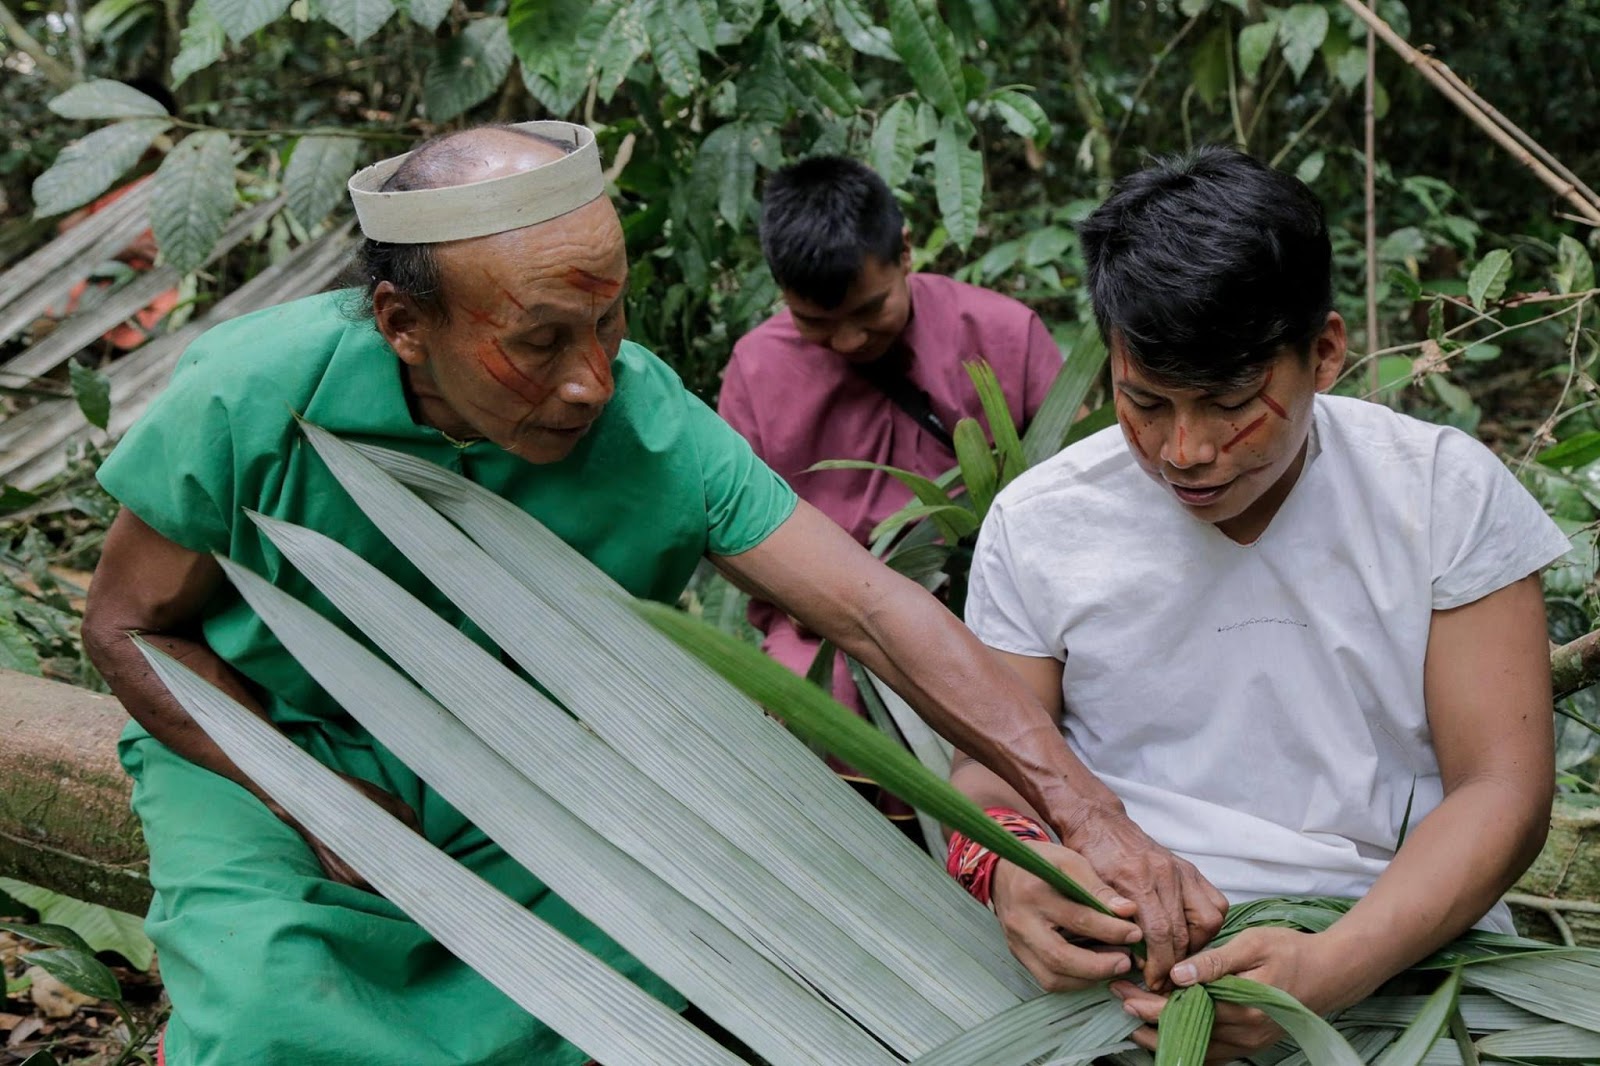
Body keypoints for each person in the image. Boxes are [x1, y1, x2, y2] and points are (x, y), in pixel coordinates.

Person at [80, 122, 1194, 1066]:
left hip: (535, 770)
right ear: (402, 323)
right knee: (271, 1005)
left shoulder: (649, 424)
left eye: (609, 321)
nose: (591, 381)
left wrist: (1088, 813)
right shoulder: (255, 395)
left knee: (604, 991)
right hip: (266, 742)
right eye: (539, 342)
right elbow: (124, 627)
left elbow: (873, 611)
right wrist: (311, 797)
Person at [946, 147, 1565, 1061]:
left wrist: (1334, 970)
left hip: (1400, 950)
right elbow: (990, 778)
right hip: (1126, 980)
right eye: (1146, 402)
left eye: (1229, 401)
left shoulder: (1442, 495)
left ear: (1325, 352)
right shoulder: (1042, 524)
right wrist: (1008, 872)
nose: (1184, 450)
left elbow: (1502, 789)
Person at [719, 155, 1065, 821]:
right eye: (816, 323)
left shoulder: (1001, 334)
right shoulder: (757, 368)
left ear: (904, 251)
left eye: (869, 309)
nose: (849, 340)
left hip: (988, 633)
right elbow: (733, 537)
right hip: (824, 652)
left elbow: (1073, 501)